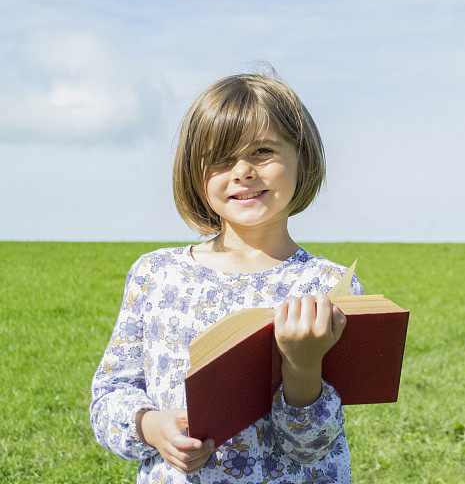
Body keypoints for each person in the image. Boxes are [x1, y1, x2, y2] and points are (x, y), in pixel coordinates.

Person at [89, 71, 365, 484]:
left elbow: (313, 446)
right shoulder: (156, 274)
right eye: (221, 158)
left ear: (302, 157)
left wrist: (302, 365)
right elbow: (109, 396)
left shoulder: (330, 287)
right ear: (194, 173)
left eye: (262, 151)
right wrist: (152, 426)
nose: (242, 171)